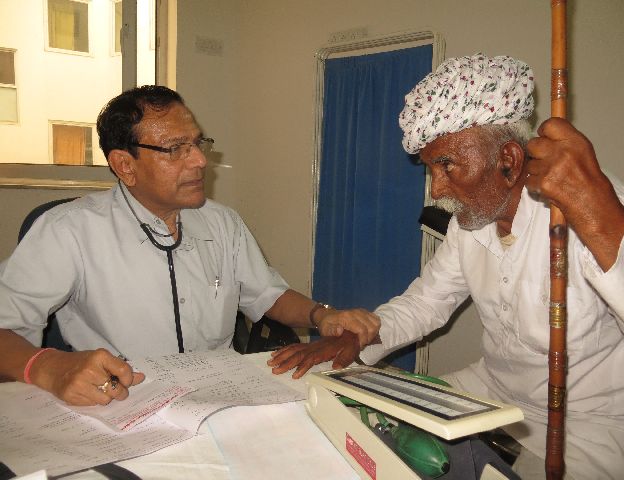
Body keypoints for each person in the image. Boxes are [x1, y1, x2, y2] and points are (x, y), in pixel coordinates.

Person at [269, 54, 624, 479]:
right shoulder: (473, 223)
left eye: (446, 165)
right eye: (431, 169)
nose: (436, 189)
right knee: (358, 424)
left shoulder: (600, 216)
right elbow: (428, 302)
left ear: (510, 160)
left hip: (593, 427)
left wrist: (602, 221)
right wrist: (363, 335)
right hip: (492, 393)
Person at [0, 85, 379, 407]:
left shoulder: (222, 223)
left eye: (197, 143)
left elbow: (267, 295)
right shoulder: (66, 230)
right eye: (175, 149)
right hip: (123, 403)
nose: (200, 161)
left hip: (221, 397)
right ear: (124, 165)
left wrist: (321, 315)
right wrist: (49, 367)